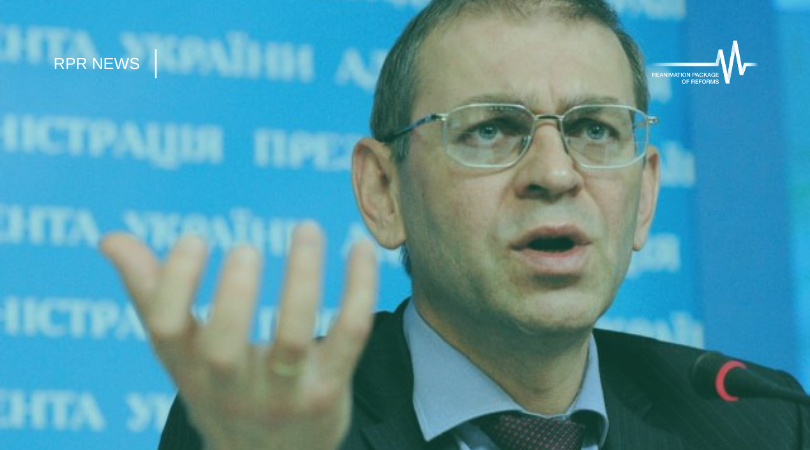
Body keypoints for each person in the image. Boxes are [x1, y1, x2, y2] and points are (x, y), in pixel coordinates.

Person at [101, 0, 810, 449]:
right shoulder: (268, 427)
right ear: (383, 191)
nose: (555, 173)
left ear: (645, 196)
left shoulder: (759, 422)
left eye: (594, 129)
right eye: (491, 130)